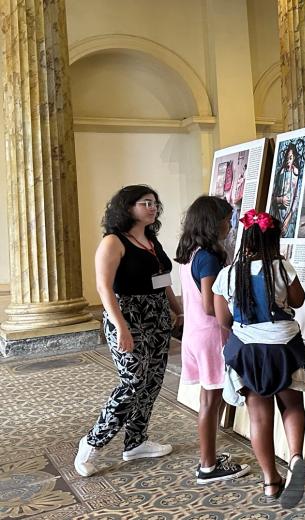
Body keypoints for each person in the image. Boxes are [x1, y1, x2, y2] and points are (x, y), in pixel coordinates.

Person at [75, 186, 183, 477]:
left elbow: (162, 279)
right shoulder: (113, 241)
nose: (152, 208)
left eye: (155, 203)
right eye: (145, 203)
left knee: (153, 381)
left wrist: (177, 308)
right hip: (127, 316)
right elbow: (103, 287)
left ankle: (136, 441)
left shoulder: (150, 239)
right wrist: (121, 327)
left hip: (157, 316)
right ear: (127, 207)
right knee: (132, 382)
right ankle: (91, 443)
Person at [212, 210, 305, 508]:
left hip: (248, 352)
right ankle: (295, 458)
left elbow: (223, 319)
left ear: (247, 240)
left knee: (258, 416)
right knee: (292, 404)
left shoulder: (227, 274)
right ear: (274, 240)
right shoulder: (281, 268)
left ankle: (271, 481)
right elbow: (298, 301)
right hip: (283, 347)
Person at [175, 196, 251, 483]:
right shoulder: (208, 257)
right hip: (211, 335)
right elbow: (210, 304)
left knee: (209, 400)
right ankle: (207, 466)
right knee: (210, 401)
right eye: (227, 220)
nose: (230, 226)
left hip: (195, 334)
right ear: (213, 222)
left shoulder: (191, 252)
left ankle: (208, 459)